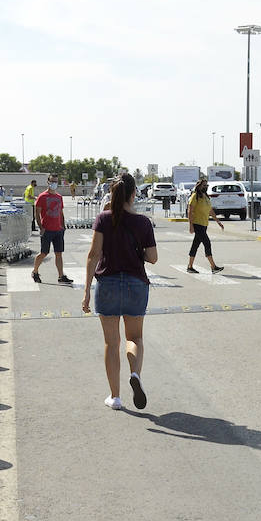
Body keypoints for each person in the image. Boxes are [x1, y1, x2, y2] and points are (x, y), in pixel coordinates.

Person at [81, 173, 157, 410]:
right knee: (134, 338)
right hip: (136, 284)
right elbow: (153, 258)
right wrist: (139, 254)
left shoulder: (103, 219)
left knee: (111, 343)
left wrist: (85, 291)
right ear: (134, 194)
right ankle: (135, 374)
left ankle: (115, 397)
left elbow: (93, 255)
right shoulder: (143, 222)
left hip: (108, 285)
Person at [31, 181, 72, 284]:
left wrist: (63, 226)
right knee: (44, 253)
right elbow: (37, 213)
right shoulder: (42, 196)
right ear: (48, 182)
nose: (54, 183)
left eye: (56, 181)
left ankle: (61, 276)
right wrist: (41, 227)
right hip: (47, 229)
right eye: (52, 181)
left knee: (59, 253)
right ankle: (35, 271)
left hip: (58, 230)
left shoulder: (59, 197)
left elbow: (61, 212)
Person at [185, 179, 225, 274]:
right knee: (207, 243)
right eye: (204, 185)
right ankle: (213, 266)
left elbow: (210, 211)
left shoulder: (205, 197)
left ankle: (190, 266)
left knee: (195, 245)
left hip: (204, 224)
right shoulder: (195, 196)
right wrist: (190, 225)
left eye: (206, 185)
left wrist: (218, 221)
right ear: (198, 186)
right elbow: (190, 211)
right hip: (197, 224)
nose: (205, 187)